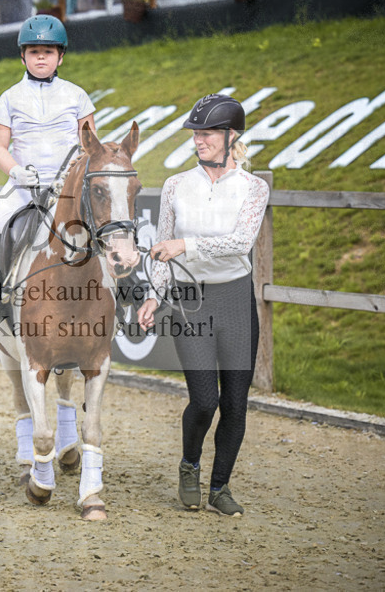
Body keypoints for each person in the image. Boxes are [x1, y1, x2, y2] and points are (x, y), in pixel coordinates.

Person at [135, 94, 270, 517]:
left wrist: (186, 246)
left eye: (208, 133)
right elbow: (162, 249)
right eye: (196, 133)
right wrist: (154, 295)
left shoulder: (254, 188)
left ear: (231, 136)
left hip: (235, 300)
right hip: (188, 302)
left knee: (235, 404)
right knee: (205, 400)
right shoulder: (176, 185)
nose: (199, 140)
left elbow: (240, 244)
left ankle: (220, 487)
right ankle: (189, 465)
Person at [0, 14, 96, 341]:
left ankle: (125, 288)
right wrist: (16, 171)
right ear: (22, 56)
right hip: (24, 182)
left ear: (60, 57)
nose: (41, 58)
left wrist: (79, 169)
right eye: (34, 51)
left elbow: (90, 144)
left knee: (106, 218)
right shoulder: (9, 98)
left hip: (69, 183)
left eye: (48, 52)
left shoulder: (77, 95)